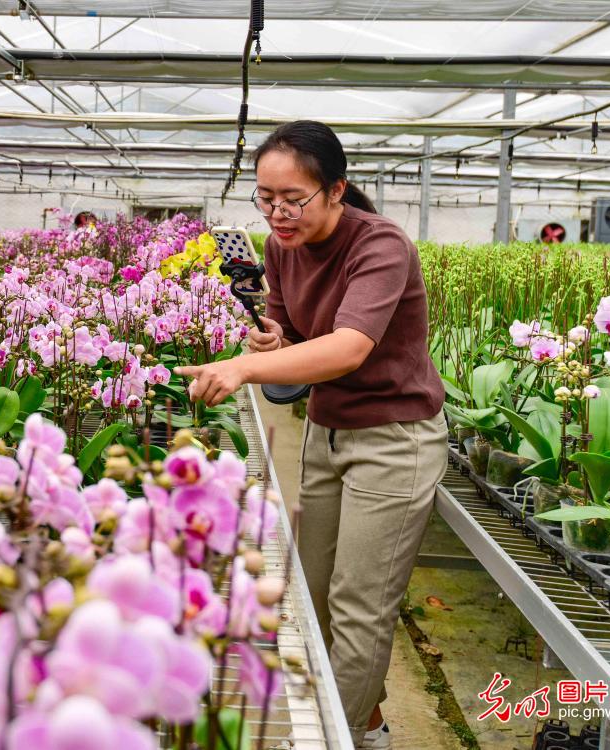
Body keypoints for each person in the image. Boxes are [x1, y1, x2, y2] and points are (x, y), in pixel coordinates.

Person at [175, 120, 446, 750]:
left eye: (292, 198)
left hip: (393, 439)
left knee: (360, 608)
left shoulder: (380, 245)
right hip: (325, 431)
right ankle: (369, 727)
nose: (278, 213)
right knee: (316, 597)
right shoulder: (279, 246)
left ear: (335, 190)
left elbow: (349, 348)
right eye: (265, 198)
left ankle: (338, 737)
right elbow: (297, 333)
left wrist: (243, 366)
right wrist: (274, 342)